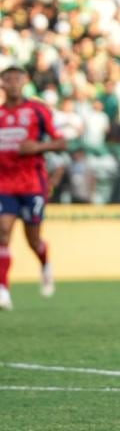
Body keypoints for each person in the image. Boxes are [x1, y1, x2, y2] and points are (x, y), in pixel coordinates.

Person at [0, 66, 67, 309]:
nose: (13, 84)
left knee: (33, 239)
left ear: (25, 82)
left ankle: (45, 263)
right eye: (8, 80)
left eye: (18, 79)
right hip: (3, 183)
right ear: (2, 84)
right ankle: (3, 290)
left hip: (31, 184)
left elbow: (62, 142)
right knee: (3, 232)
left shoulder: (37, 111)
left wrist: (37, 148)